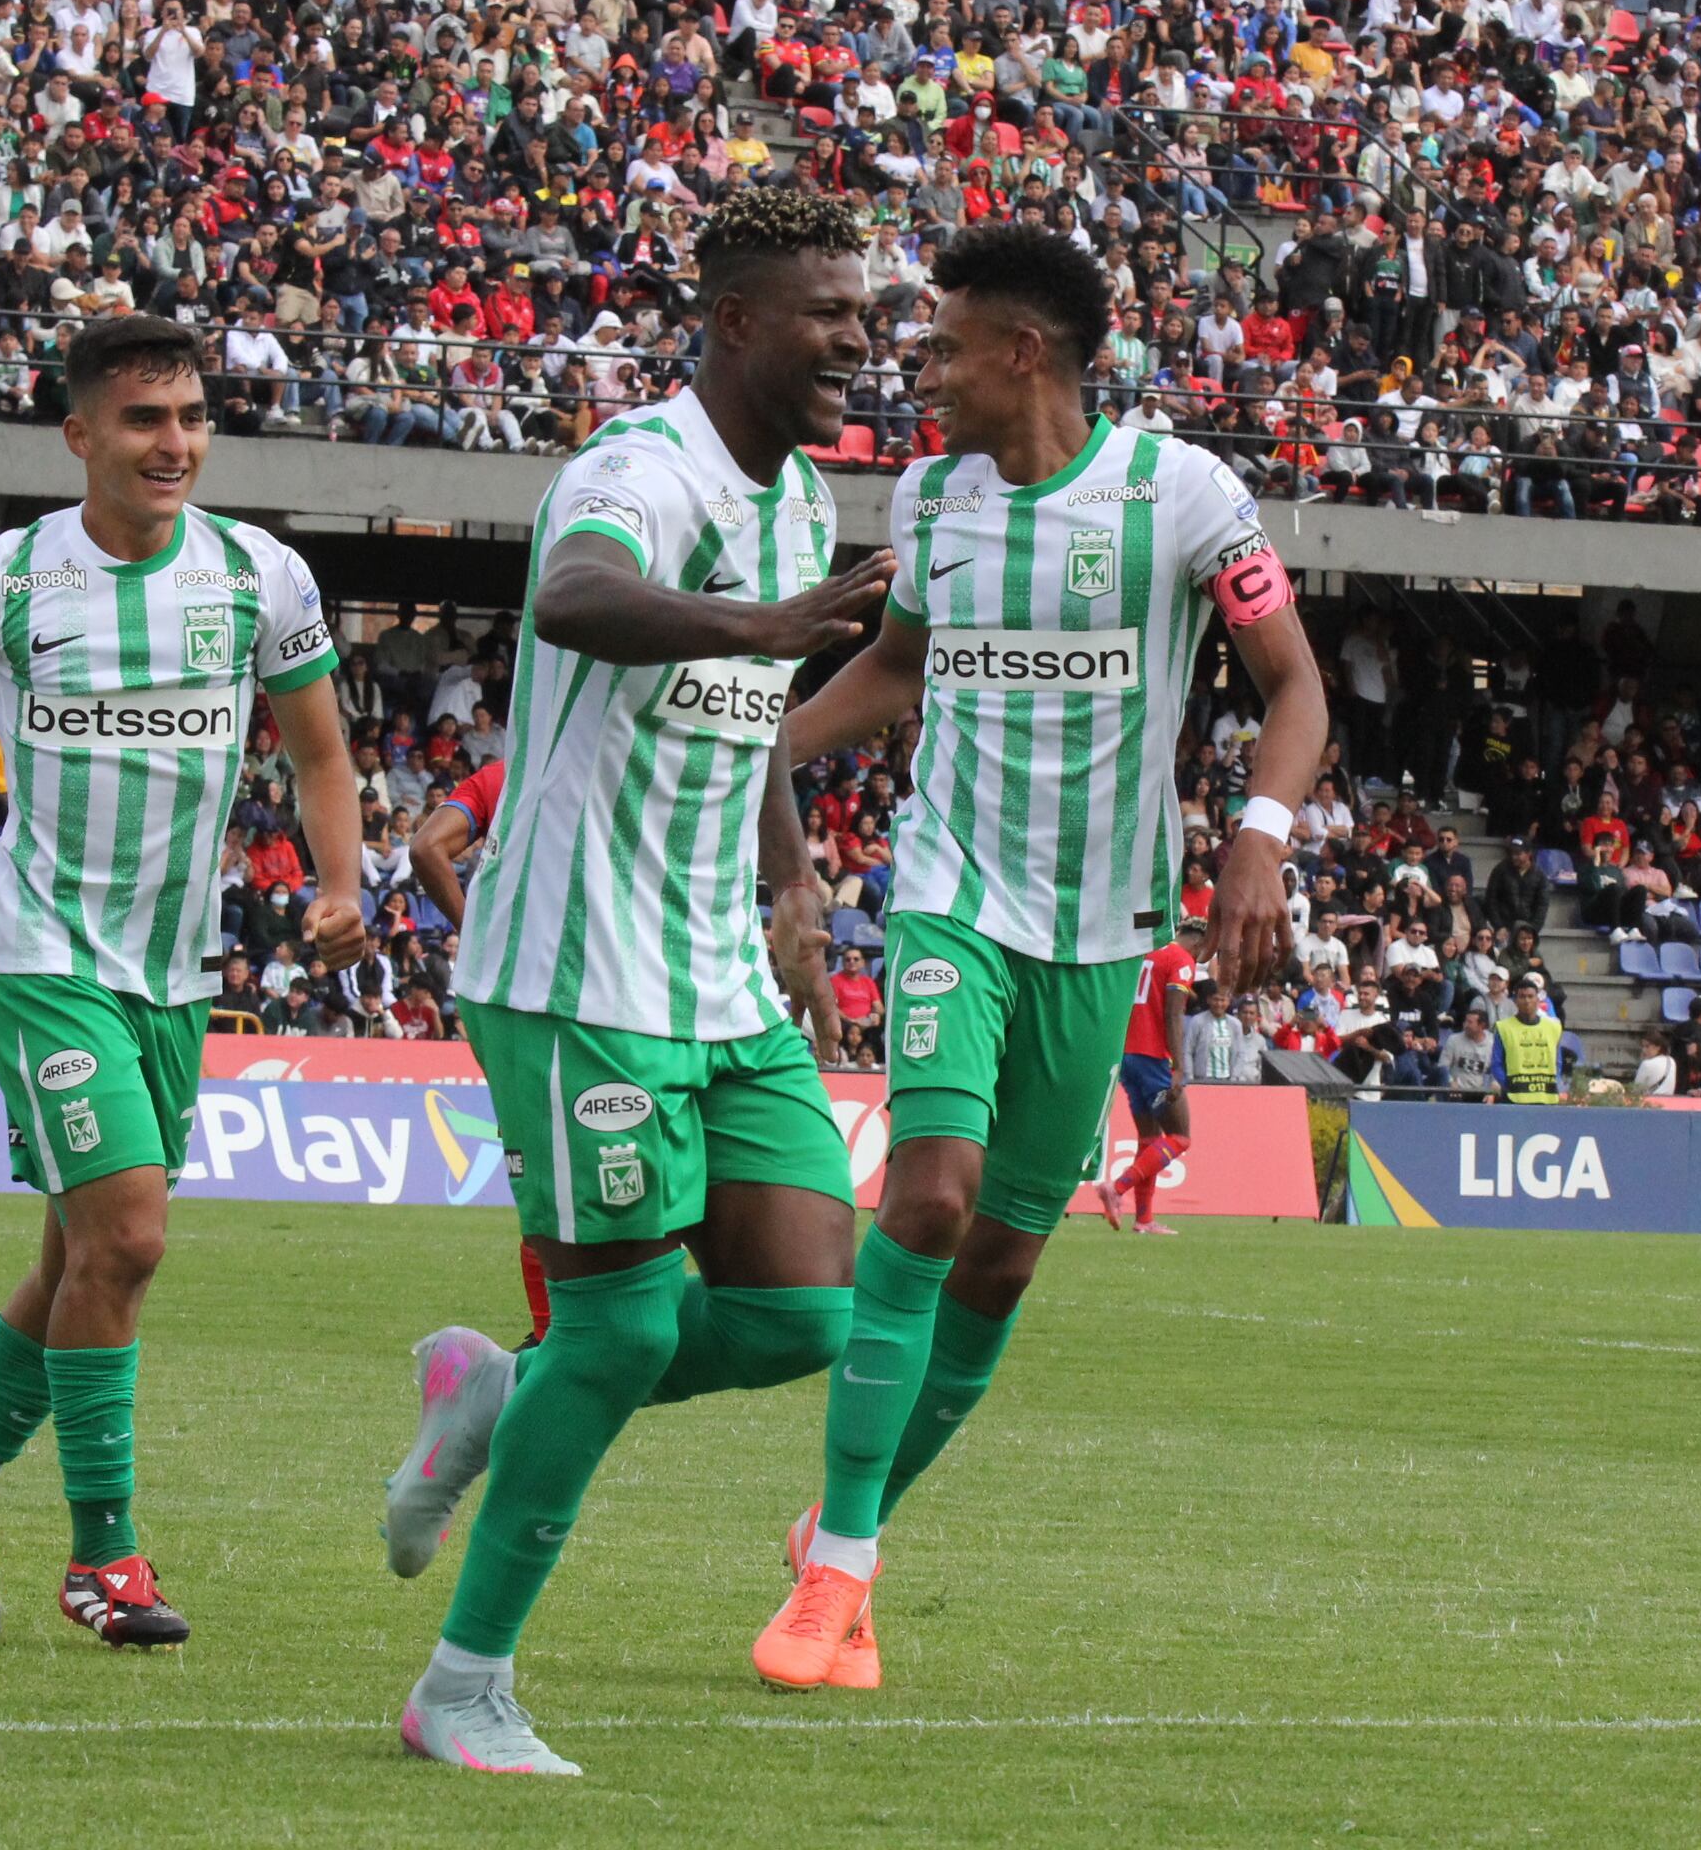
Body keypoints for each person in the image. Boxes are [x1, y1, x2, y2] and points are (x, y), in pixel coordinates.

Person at [744, 220, 1325, 1693]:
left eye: (941, 345)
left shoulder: (1182, 495)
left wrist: (1257, 835)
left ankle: (845, 1520)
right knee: (928, 1202)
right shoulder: (931, 498)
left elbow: (1295, 684)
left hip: (1104, 925)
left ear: (1024, 354)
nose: (916, 367)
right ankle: (837, 1577)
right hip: (950, 896)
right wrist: (765, 747)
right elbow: (902, 665)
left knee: (1001, 1263)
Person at [374, 185, 896, 1776]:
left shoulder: (803, 500)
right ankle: (461, 1688)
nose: (858, 343)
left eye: (867, 316)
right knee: (621, 1334)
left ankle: (491, 1395)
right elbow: (575, 597)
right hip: (578, 968)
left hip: (719, 975)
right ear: (737, 321)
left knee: (809, 1306)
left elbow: (742, 721)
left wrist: (794, 876)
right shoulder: (638, 469)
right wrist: (763, 620)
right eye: (829, 314)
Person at [0, 315, 366, 1653]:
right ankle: (104, 1556)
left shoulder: (258, 577)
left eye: (190, 419)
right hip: (42, 958)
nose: (174, 445)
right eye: (142, 421)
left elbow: (322, 756)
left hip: (172, 978)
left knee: (75, 1258)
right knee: (127, 1239)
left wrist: (340, 886)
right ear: (80, 437)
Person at [407, 755, 550, 1345]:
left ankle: (549, 1329)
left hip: (495, 993)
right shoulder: (604, 761)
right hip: (574, 986)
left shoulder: (503, 772)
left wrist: (477, 931)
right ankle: (563, 1332)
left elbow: (427, 848)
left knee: (538, 1158)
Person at [1098, 915, 1207, 1233]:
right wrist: (1178, 1065)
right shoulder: (1181, 959)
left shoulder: (1146, 952)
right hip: (1153, 1056)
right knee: (1180, 1137)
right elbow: (1174, 1013)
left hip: (1127, 1055)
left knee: (1149, 1139)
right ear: (1197, 940)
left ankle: (1143, 1220)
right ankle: (1116, 1189)